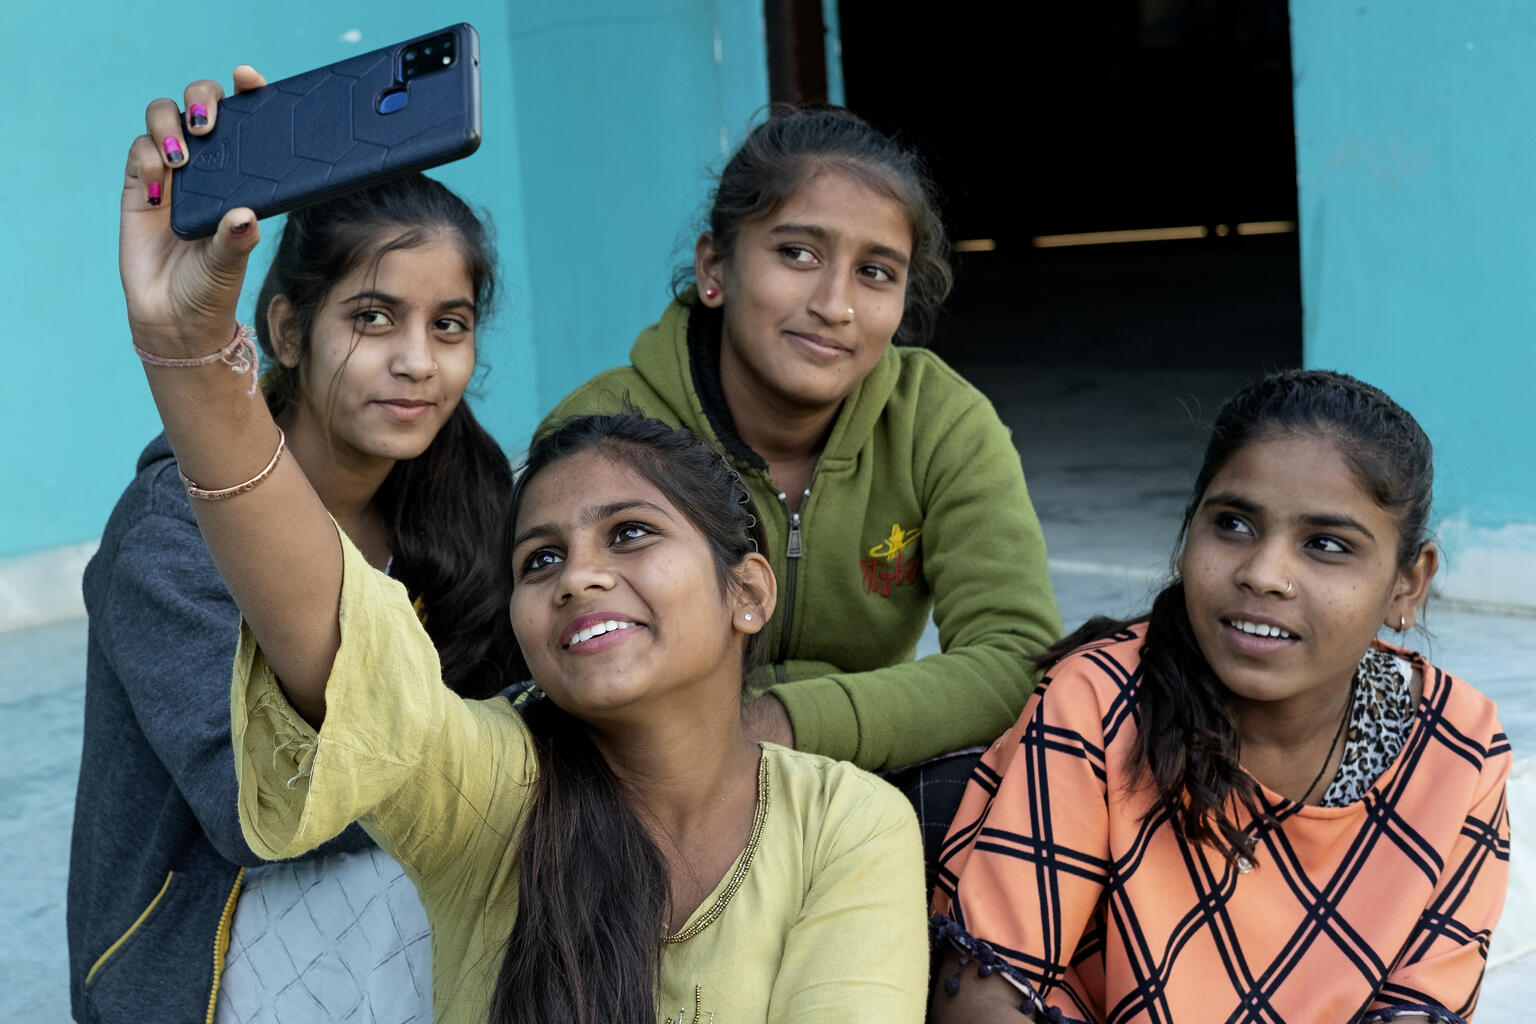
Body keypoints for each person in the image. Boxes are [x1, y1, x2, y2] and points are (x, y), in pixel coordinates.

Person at [110, 72, 929, 1024]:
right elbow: (357, 694)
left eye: (630, 534)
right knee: (408, 878)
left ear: (749, 590)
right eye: (538, 561)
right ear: (288, 330)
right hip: (210, 937)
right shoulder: (495, 795)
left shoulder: (846, 823)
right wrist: (187, 350)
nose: (579, 573)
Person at [68, 147, 518, 1022]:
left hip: (390, 871)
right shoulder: (169, 536)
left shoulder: (461, 492)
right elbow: (264, 814)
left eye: (450, 325)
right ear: (286, 331)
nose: (419, 362)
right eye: (375, 319)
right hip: (201, 942)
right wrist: (509, 749)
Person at [541, 105, 1062, 855]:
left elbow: (1017, 657)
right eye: (797, 254)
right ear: (715, 267)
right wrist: (713, 745)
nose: (835, 305)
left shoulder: (937, 420)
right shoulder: (608, 429)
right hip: (651, 791)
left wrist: (783, 723)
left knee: (1022, 788)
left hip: (859, 774)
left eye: (875, 272)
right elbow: (559, 659)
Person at [929, 369, 1511, 1023]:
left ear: (1408, 584)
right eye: (1233, 524)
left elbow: (1418, 1009)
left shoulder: (1456, 752)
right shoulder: (1099, 704)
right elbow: (984, 993)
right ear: (1186, 537)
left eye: (1325, 545)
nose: (1263, 574)